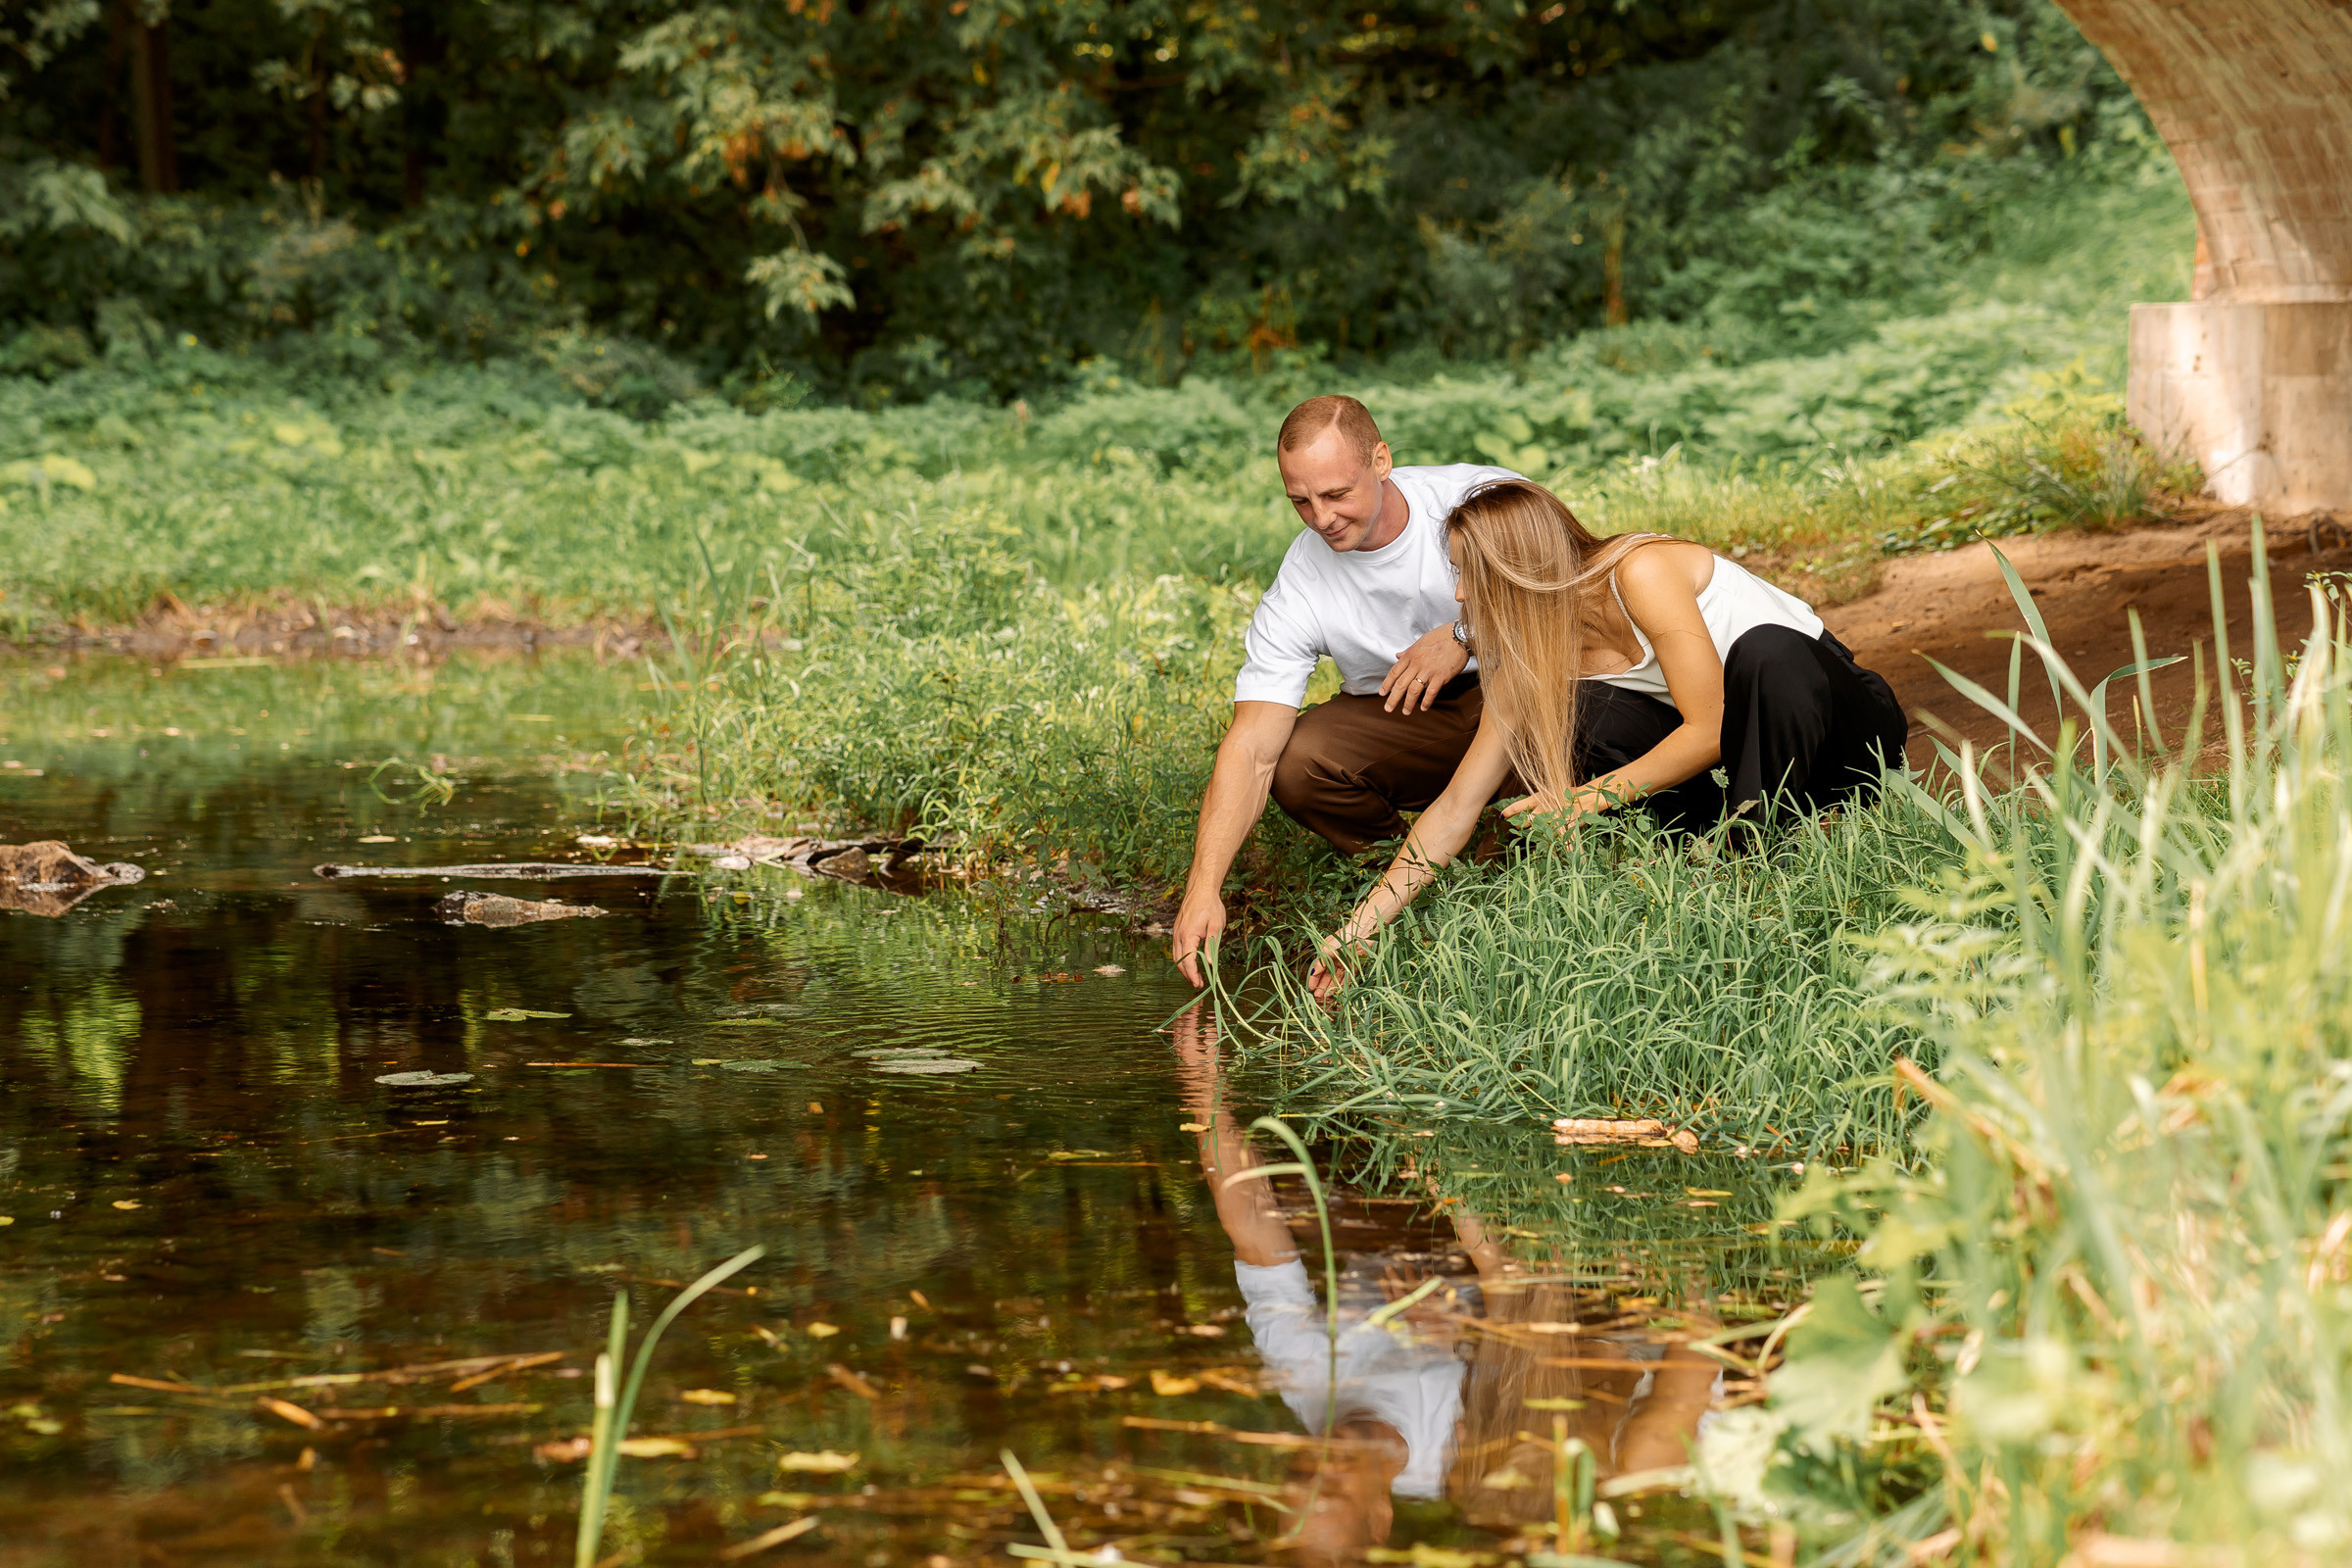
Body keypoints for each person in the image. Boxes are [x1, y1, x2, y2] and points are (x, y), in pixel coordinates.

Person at [1308, 477, 1907, 999]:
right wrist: (1357, 932)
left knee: (1765, 651)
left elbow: (1709, 730)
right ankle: (1717, 847)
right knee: (1580, 707)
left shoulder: (1638, 573)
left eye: (1470, 574)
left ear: (1521, 571)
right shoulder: (1526, 652)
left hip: (1838, 734)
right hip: (1748, 760)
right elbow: (1456, 806)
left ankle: (1749, 860)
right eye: (1457, 573)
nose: (1460, 595)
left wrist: (1584, 800)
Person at [1171, 395, 1523, 986]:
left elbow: (1576, 595)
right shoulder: (1302, 582)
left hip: (1522, 690)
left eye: (1337, 494)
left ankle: (1492, 864)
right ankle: (1408, 879)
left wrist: (1465, 634)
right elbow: (1252, 746)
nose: (1321, 517)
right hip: (1411, 717)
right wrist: (1202, 889)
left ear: (1381, 461)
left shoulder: (1480, 498)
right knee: (1298, 759)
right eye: (1300, 501)